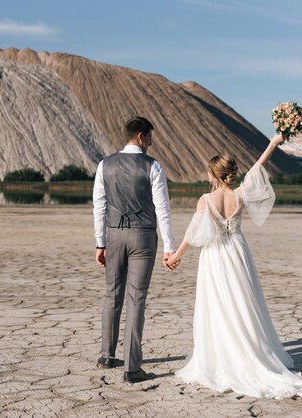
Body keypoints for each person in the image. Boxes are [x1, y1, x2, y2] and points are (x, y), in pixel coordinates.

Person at [166, 134, 302, 398]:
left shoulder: (206, 200)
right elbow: (257, 168)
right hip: (238, 252)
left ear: (213, 174)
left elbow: (194, 234)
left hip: (215, 257)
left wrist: (175, 256)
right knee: (243, 303)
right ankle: (250, 353)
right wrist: (273, 143)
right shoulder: (240, 195)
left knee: (219, 306)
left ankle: (225, 360)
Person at [93, 116, 176, 383]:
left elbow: (100, 206)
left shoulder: (104, 164)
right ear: (141, 137)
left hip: (114, 235)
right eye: (150, 137)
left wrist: (100, 243)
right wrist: (169, 246)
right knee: (136, 299)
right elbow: (162, 208)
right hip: (142, 237)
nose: (151, 142)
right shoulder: (153, 166)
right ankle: (132, 368)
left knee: (112, 295)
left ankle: (107, 355)